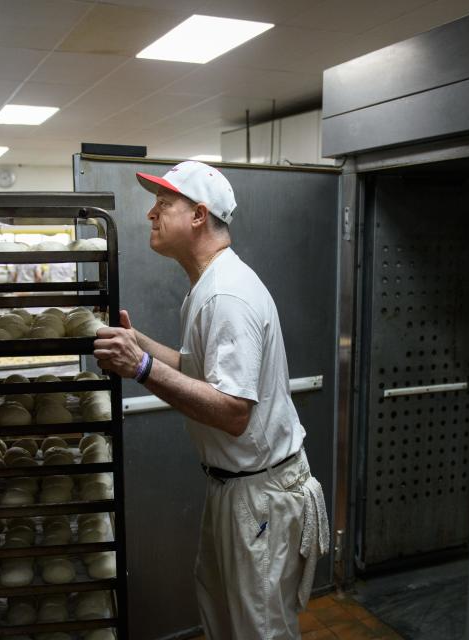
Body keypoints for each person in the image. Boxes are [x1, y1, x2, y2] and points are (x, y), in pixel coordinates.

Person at [93, 161, 329, 639]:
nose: (151, 215)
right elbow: (196, 374)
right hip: (235, 489)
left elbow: (233, 412)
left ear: (199, 215)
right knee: (225, 620)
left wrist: (140, 368)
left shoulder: (227, 295)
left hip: (260, 497)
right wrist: (136, 342)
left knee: (259, 630)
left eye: (164, 204)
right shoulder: (209, 287)